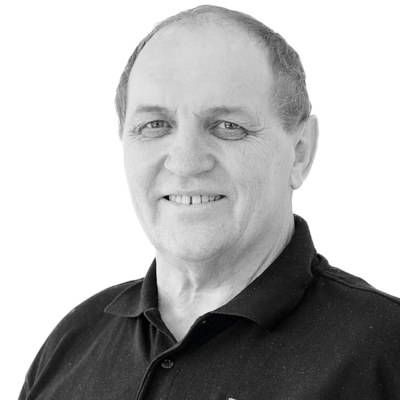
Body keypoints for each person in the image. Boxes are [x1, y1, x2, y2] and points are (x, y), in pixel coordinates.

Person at [18, 4, 399, 399]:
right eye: (154, 125)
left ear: (301, 151)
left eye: (228, 126)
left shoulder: (385, 354)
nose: (186, 162)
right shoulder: (73, 342)